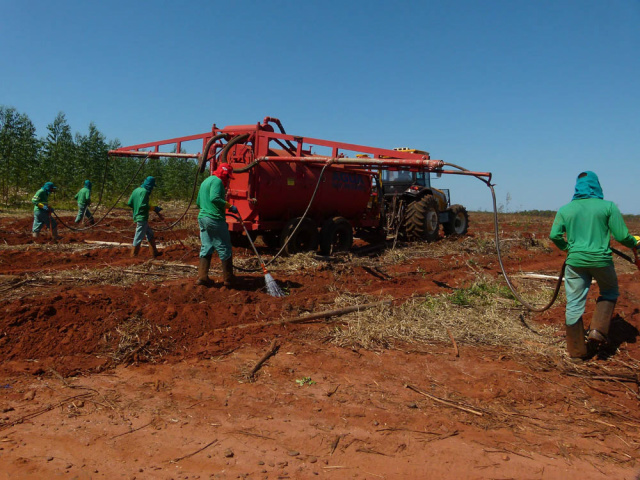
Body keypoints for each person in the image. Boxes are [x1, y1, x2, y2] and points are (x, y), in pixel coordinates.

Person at [549, 171, 640, 361]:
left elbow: (554, 236)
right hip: (601, 260)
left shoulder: (565, 209)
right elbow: (622, 237)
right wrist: (635, 243)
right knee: (609, 291)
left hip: (575, 262)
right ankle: (597, 331)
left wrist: (568, 248)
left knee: (574, 302)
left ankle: (576, 352)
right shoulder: (607, 207)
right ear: (597, 185)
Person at [195, 163, 237, 286]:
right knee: (224, 246)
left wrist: (206, 208)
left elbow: (198, 202)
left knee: (206, 246)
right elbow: (215, 198)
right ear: (224, 175)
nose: (227, 180)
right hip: (214, 218)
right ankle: (229, 279)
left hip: (202, 218)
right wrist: (230, 206)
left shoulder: (206, 181)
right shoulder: (218, 182)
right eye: (227, 177)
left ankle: (202, 277)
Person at [127, 176, 163, 258]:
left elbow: (129, 203)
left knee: (150, 233)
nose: (152, 189)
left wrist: (136, 208)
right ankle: (133, 255)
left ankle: (154, 253)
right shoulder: (144, 192)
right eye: (152, 187)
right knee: (139, 236)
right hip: (142, 217)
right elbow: (142, 205)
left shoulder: (136, 190)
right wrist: (154, 208)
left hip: (138, 216)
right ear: (149, 185)